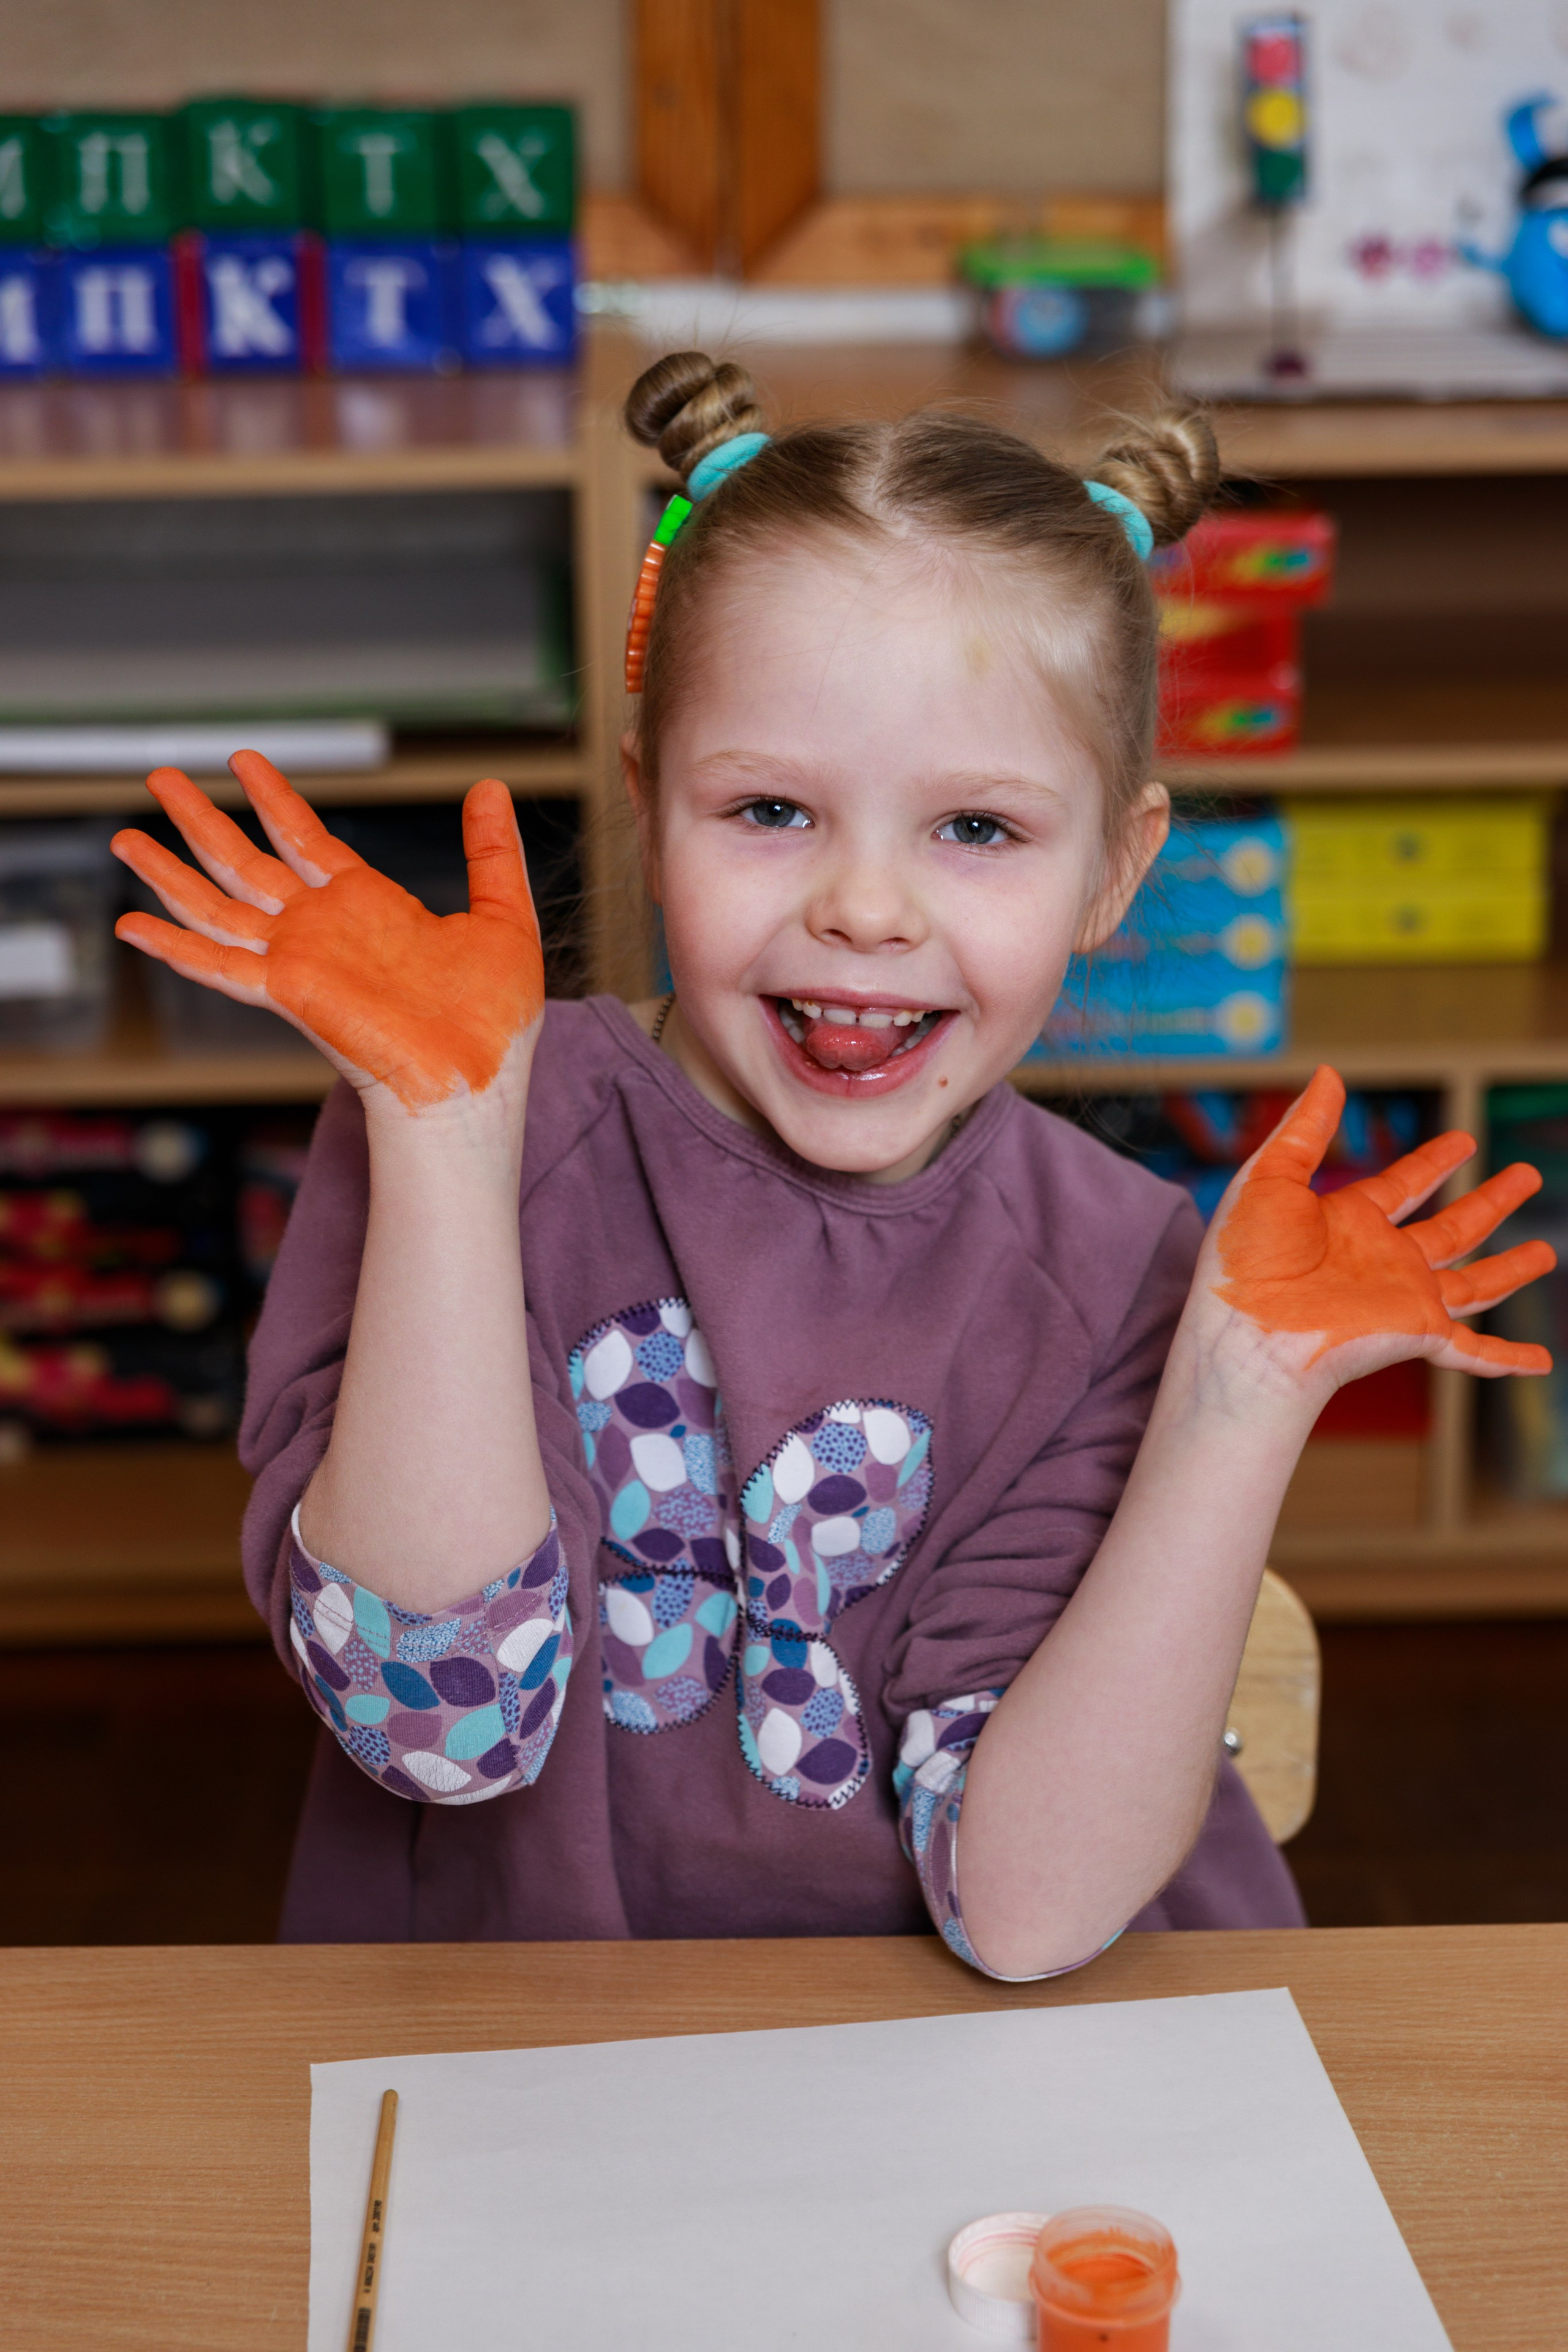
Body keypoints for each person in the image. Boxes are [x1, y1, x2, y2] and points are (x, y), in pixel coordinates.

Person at [110, 353, 1553, 1978]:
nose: (868, 908)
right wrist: (449, 1138)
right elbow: (439, 1727)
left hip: (965, 2096)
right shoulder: (459, 1120)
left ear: (1114, 872)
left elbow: (1023, 1913)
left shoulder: (1125, 1269)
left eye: (979, 831)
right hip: (517, 2067)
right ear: (652, 814)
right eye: (774, 810)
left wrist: (1242, 1395)